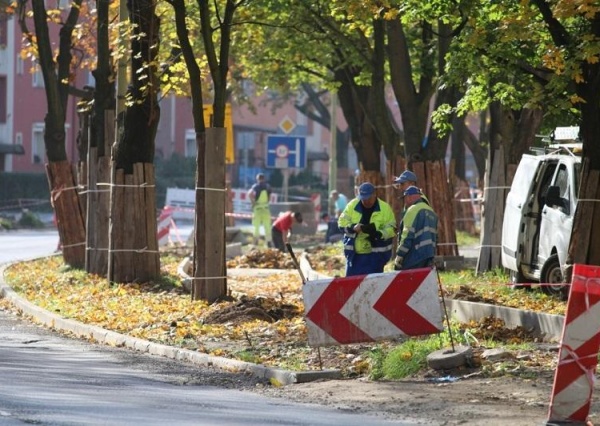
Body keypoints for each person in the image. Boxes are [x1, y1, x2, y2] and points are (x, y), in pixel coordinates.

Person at [338, 182, 396, 276]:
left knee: (374, 287)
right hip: (354, 256)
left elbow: (392, 229)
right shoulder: (352, 206)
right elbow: (341, 223)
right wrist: (353, 227)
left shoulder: (385, 208)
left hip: (376, 257)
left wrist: (379, 234)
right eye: (363, 199)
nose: (366, 201)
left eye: (369, 198)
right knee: (352, 286)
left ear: (374, 194)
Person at [394, 186, 438, 270]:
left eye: (405, 198)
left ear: (409, 197)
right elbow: (436, 237)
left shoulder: (412, 210)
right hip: (429, 256)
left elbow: (407, 236)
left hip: (414, 256)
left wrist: (400, 255)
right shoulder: (431, 212)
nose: (405, 202)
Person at [248, 173, 272, 247]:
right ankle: (269, 242)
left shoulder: (255, 186)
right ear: (264, 179)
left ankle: (255, 242)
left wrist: (253, 202)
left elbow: (249, 193)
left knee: (256, 226)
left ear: (257, 179)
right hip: (266, 209)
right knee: (267, 226)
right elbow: (270, 197)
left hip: (257, 209)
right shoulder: (268, 187)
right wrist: (267, 202)